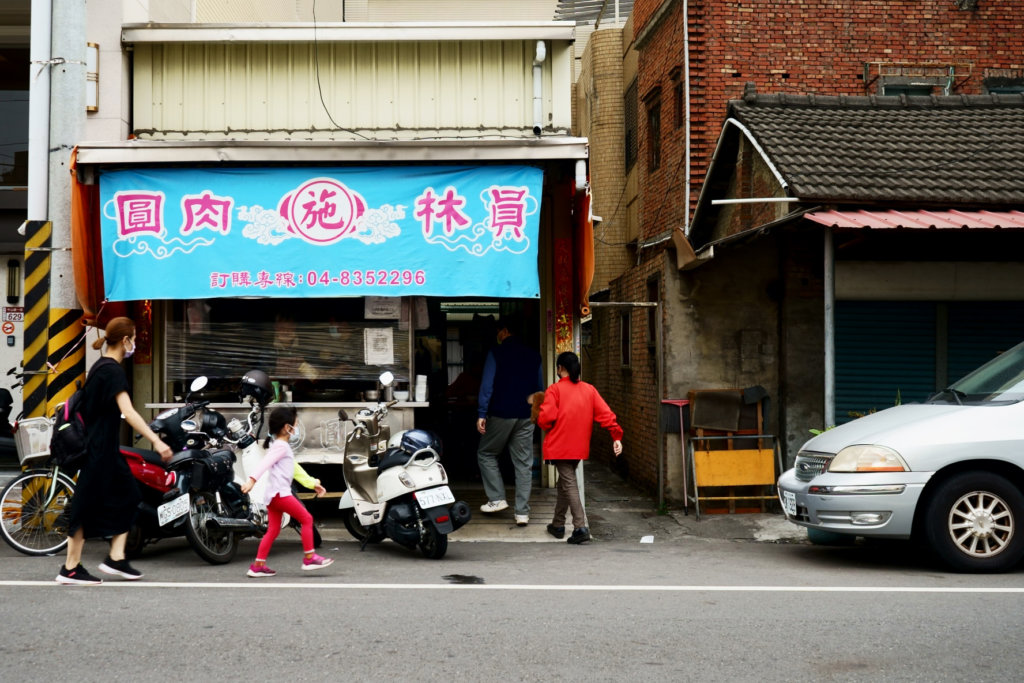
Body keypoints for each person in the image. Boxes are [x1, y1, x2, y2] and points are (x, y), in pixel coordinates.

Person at [57, 317, 173, 585]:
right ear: (125, 340)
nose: (135, 343)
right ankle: (70, 568)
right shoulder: (111, 371)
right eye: (133, 337)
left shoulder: (101, 367)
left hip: (107, 451)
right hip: (97, 451)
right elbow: (128, 411)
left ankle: (116, 558)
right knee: (84, 506)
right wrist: (156, 441)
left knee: (130, 496)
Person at [536, 351, 623, 545]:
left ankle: (580, 527)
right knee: (564, 484)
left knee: (568, 483)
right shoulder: (589, 390)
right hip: (579, 446)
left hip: (560, 445)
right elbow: (606, 415)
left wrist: (542, 416)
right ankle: (557, 524)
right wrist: (616, 436)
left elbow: (545, 419)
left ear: (560, 368)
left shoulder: (554, 390)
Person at [241, 405, 333, 577]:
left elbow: (294, 469)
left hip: (273, 496)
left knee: (273, 531)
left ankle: (258, 566)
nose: (296, 428)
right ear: (286, 427)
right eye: (295, 424)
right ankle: (310, 557)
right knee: (306, 519)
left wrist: (313, 483)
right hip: (280, 494)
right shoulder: (281, 447)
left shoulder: (279, 445)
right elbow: (265, 462)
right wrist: (252, 480)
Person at [476, 316, 543, 526]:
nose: (497, 335)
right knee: (523, 464)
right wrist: (534, 412)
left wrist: (481, 413)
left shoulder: (496, 353)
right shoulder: (534, 356)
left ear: (504, 331)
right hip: (526, 415)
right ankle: (522, 513)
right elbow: (539, 389)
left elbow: (487, 386)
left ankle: (496, 498)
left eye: (499, 332)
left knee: (486, 453)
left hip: (501, 413)